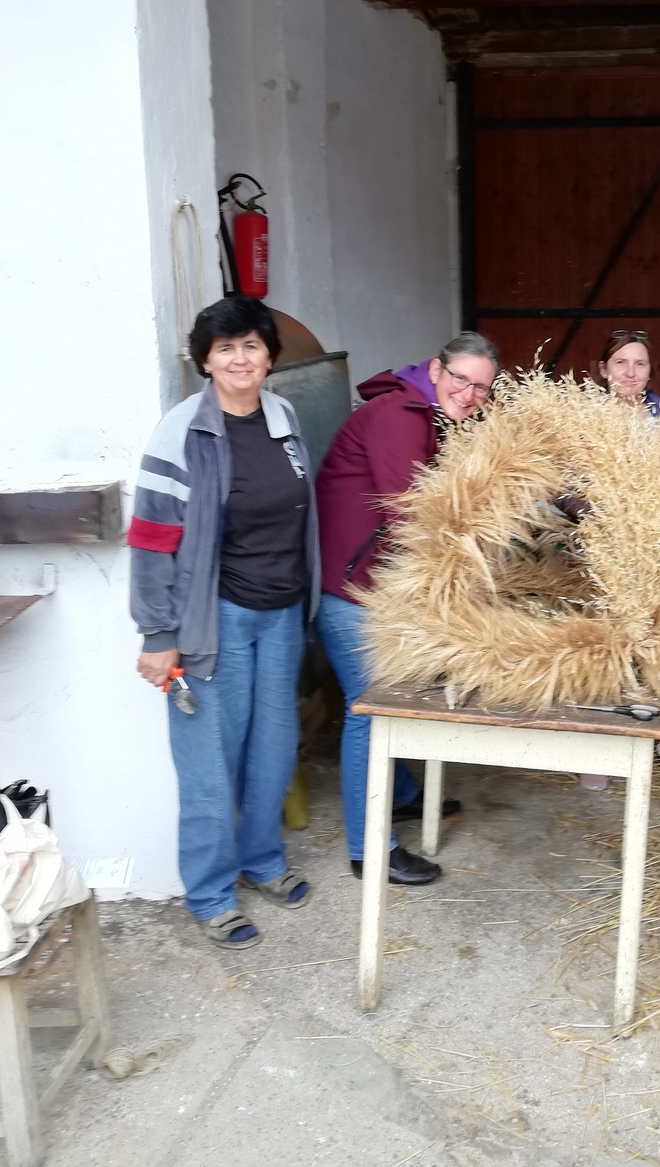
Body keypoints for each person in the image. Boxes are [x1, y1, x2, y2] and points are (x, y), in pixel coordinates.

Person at [129, 296, 319, 950]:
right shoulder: (183, 431)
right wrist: (158, 634)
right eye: (225, 348)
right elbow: (151, 537)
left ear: (270, 355)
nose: (240, 359)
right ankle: (210, 892)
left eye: (251, 346)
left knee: (273, 748)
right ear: (205, 361)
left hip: (282, 613)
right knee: (210, 762)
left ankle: (261, 859)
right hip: (217, 619)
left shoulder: (284, 417)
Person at [316, 332, 500, 885]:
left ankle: (400, 795)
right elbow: (413, 517)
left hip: (373, 586)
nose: (469, 394)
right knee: (372, 713)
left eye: (482, 388)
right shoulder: (401, 415)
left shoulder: (429, 415)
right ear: (437, 371)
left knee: (389, 698)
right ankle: (369, 849)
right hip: (350, 590)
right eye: (461, 378)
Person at [594, 330, 660, 785]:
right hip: (600, 548)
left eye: (639, 363)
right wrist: (586, 508)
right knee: (604, 644)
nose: (630, 372)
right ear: (604, 370)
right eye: (621, 363)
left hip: (657, 551)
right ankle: (600, 746)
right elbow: (557, 483)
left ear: (651, 370)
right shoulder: (583, 418)